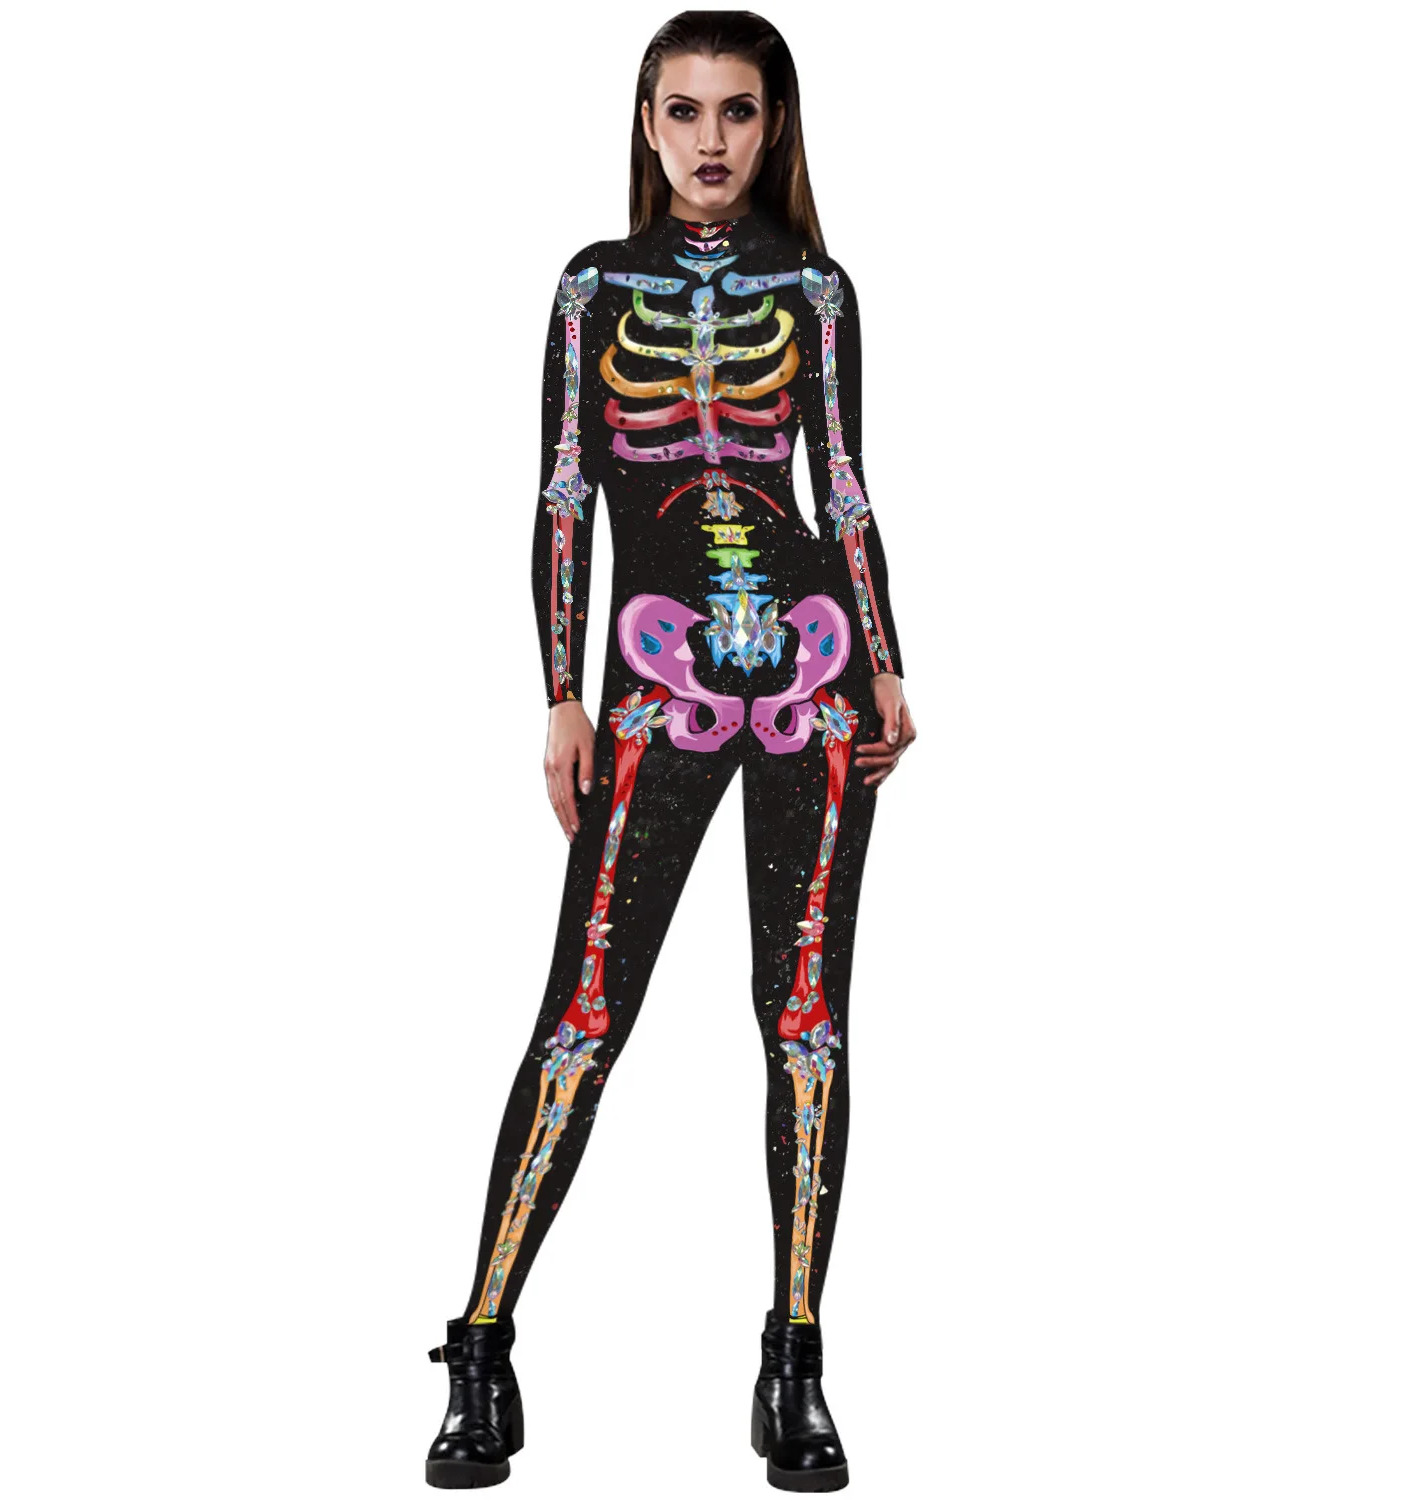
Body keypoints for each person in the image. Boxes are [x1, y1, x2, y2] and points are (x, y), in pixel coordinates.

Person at [424, 13, 917, 1492]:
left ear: (776, 126)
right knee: (585, 1012)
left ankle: (795, 1360)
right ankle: (482, 1343)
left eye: (739, 111)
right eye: (686, 110)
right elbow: (566, 485)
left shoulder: (816, 288)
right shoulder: (595, 286)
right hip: (650, 677)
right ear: (647, 123)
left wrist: (887, 659)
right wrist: (558, 692)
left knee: (805, 1020)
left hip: (811, 678)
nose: (712, 140)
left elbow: (844, 484)